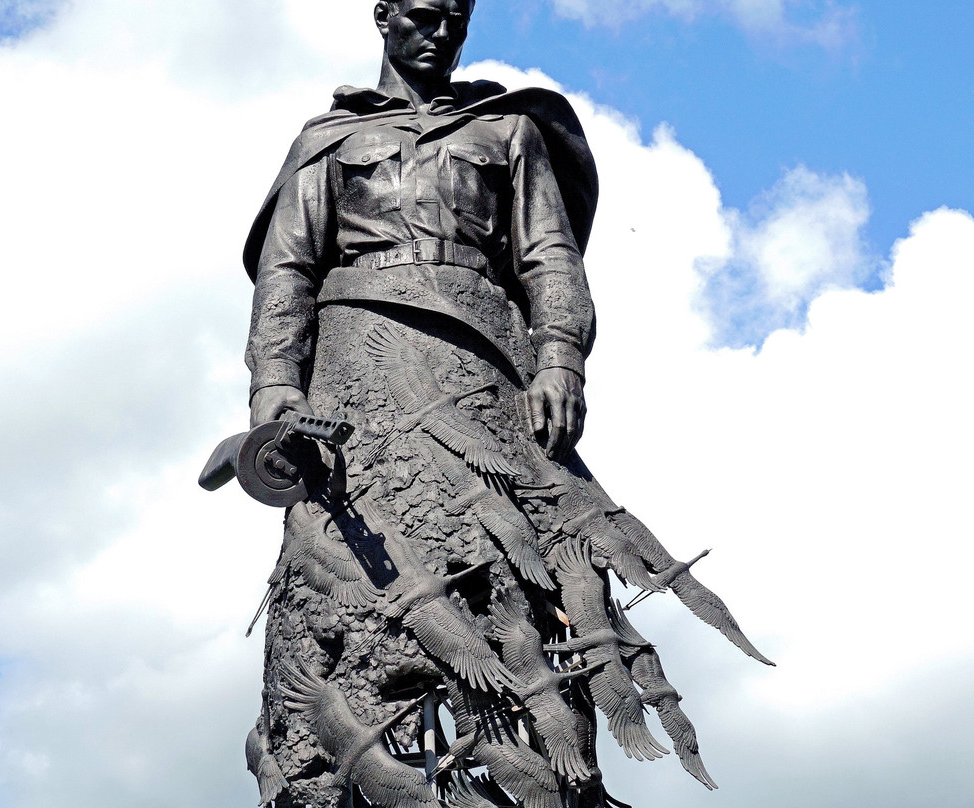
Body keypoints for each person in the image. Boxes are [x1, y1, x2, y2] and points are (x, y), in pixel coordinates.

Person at [239, 2, 768, 806]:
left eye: (454, 16)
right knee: (356, 569)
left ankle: (537, 759)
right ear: (382, 17)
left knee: (517, 566)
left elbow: (548, 254)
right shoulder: (328, 140)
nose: (438, 31)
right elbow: (289, 272)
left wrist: (560, 358)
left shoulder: (506, 131)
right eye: (421, 13)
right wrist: (275, 387)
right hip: (357, 368)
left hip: (482, 365)